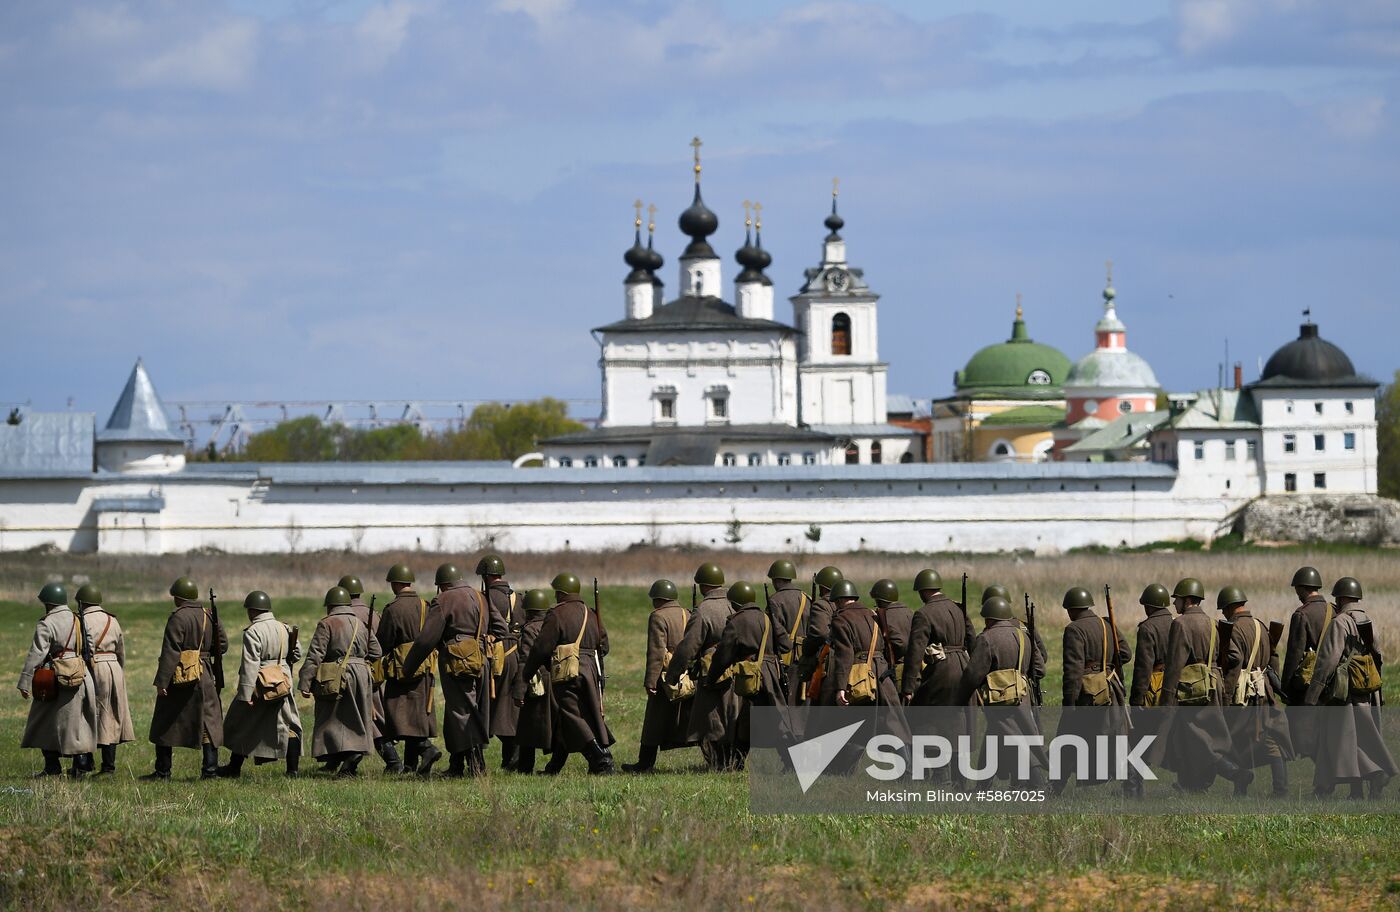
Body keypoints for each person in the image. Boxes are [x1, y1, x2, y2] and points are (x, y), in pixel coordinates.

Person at [400, 563, 506, 777]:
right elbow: (501, 629)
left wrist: (408, 667)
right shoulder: (480, 596)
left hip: (457, 663)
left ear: (443, 585)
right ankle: (457, 766)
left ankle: (478, 766)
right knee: (462, 712)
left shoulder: (444, 600)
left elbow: (425, 640)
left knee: (462, 712)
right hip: (481, 659)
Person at [1154, 578, 1251, 793]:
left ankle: (1236, 774)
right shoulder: (1213, 623)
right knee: (1199, 738)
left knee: (1198, 741)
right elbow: (1235, 656)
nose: (1174, 604)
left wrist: (1166, 700)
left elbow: (1174, 665)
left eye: (1177, 599)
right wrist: (1220, 677)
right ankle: (1193, 786)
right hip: (1212, 685)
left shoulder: (1180, 624)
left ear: (1187, 600)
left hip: (1191, 690)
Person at [1303, 577, 1396, 799]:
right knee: (1357, 740)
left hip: (1343, 693)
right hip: (1366, 690)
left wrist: (1313, 694)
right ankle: (1356, 791)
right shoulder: (1368, 621)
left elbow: (1328, 660)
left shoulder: (1340, 622)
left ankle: (1376, 774)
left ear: (1342, 598)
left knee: (1338, 741)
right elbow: (1378, 658)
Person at [519, 573, 616, 775]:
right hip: (591, 670)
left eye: (556, 592)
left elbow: (542, 648)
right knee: (580, 716)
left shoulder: (557, 614)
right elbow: (604, 646)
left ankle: (601, 758)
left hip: (569, 671)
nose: (555, 596)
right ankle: (555, 767)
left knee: (572, 715)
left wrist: (527, 673)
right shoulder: (591, 613)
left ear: (561, 593)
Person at [956, 595, 1046, 787]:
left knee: (1017, 741)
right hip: (1022, 696)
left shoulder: (987, 638)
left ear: (989, 618)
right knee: (994, 739)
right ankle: (982, 786)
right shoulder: (1024, 636)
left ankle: (1039, 784)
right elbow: (1039, 669)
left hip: (1000, 700)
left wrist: (960, 698)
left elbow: (972, 675)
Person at [144, 577, 227, 781]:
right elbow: (223, 645)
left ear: (178, 597)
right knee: (209, 722)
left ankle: (163, 772)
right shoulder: (209, 615)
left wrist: (162, 682)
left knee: (165, 721)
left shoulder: (178, 617)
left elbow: (171, 652)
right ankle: (210, 771)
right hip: (205, 674)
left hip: (180, 677)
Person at [298, 586, 382, 777]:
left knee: (331, 719)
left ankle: (351, 755)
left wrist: (305, 683)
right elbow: (377, 651)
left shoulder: (327, 623)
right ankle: (345, 762)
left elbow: (314, 655)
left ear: (330, 605)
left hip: (337, 676)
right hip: (362, 675)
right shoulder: (360, 623)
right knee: (356, 717)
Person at [1054, 586, 1131, 793]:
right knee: (1114, 738)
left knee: (1066, 740)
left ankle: (1055, 788)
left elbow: (1073, 670)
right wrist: (1106, 666)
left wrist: (1069, 702)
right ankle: (1131, 785)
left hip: (1086, 694)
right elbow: (1125, 653)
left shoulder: (1074, 629)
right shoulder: (1106, 624)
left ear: (1071, 609)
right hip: (1110, 688)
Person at [219, 591, 303, 778]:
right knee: (289, 725)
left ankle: (234, 768)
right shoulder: (285, 628)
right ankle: (292, 771)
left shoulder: (253, 631)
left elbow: (250, 664)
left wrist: (246, 694)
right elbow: (297, 653)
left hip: (260, 683)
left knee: (243, 723)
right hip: (283, 681)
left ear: (252, 611)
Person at [1217, 586, 1292, 797]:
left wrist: (1225, 697)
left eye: (1223, 609)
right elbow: (1274, 658)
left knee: (1234, 738)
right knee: (1267, 740)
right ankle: (1277, 788)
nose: (1223, 613)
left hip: (1244, 695)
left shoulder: (1233, 630)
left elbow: (1233, 663)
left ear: (1230, 607)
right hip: (1264, 689)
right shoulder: (1261, 626)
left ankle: (1253, 787)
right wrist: (1270, 683)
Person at [665, 563, 741, 770]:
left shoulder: (703, 610)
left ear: (703, 586)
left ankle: (719, 763)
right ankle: (736, 761)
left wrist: (673, 674)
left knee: (710, 719)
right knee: (734, 717)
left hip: (712, 671)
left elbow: (688, 647)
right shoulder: (736, 602)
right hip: (740, 669)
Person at [17, 583, 97, 777]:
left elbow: (36, 653)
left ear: (48, 603)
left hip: (55, 677)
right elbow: (90, 646)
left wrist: (25, 681)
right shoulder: (78, 619)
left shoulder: (47, 623)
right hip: (81, 674)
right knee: (79, 723)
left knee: (44, 721)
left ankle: (52, 767)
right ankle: (80, 766)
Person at [900, 569, 972, 783]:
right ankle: (958, 776)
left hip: (941, 671)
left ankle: (940, 776)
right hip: (963, 667)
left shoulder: (924, 614)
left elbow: (915, 652)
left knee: (926, 720)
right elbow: (972, 640)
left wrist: (908, 687)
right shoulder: (959, 609)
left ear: (923, 591)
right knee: (956, 720)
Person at [707, 581, 788, 769]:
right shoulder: (766, 618)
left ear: (736, 602)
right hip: (772, 674)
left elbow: (722, 656)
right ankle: (737, 762)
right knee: (771, 718)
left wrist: (711, 678)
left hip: (752, 675)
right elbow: (786, 645)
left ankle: (737, 763)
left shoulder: (737, 622)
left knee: (751, 720)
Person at [374, 563, 442, 776]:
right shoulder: (425, 605)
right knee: (418, 717)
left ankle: (426, 749)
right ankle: (412, 767)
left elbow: (383, 643)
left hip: (401, 670)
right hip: (425, 668)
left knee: (398, 716)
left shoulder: (392, 609)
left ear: (395, 584)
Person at [623, 579, 694, 773]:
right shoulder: (687, 613)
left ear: (658, 599)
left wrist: (651, 681)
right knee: (690, 718)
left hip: (665, 677)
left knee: (653, 723)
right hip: (686, 674)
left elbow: (656, 652)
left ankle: (645, 764)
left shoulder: (657, 617)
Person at [340, 574, 397, 773]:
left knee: (367, 718)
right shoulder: (373, 613)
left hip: (355, 673)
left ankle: (392, 760)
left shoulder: (344, 614)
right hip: (374, 670)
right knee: (374, 716)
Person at [75, 584, 134, 776]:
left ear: (82, 602)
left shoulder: (80, 620)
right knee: (111, 717)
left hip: (92, 668)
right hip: (114, 668)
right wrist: (118, 671)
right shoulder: (112, 620)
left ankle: (84, 763)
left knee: (85, 715)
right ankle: (108, 767)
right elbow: (121, 650)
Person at [477, 554, 524, 771]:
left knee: (482, 707)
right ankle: (511, 760)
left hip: (492, 656)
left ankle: (477, 762)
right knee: (510, 710)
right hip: (515, 655)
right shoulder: (518, 598)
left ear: (486, 576)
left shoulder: (484, 598)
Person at [1280, 565, 1332, 758]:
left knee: (1304, 734)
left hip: (1307, 685)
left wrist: (1286, 688)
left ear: (1302, 587)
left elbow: (1294, 654)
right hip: (1331, 681)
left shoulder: (1302, 614)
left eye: (1297, 589)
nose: (1296, 594)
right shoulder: (1333, 610)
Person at [512, 589, 555, 774]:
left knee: (526, 729)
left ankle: (525, 768)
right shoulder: (552, 625)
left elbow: (525, 661)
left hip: (536, 683)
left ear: (529, 611)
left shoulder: (530, 629)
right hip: (555, 680)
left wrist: (519, 691)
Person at [796, 565, 843, 703]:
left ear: (822, 587)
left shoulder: (821, 605)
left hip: (827, 663)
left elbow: (820, 634)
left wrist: (806, 648)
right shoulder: (845, 603)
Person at [764, 559, 809, 702]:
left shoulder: (775, 601)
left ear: (776, 580)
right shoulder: (806, 598)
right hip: (806, 659)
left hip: (785, 659)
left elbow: (771, 633)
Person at [1129, 584, 1174, 708]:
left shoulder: (1147, 628)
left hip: (1155, 686)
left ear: (1149, 606)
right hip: (1175, 682)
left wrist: (1136, 699)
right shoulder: (1176, 622)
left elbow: (1143, 667)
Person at [870, 579, 912, 691]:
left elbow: (900, 643)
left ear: (879, 600)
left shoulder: (886, 615)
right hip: (913, 668)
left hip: (898, 670)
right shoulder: (908, 611)